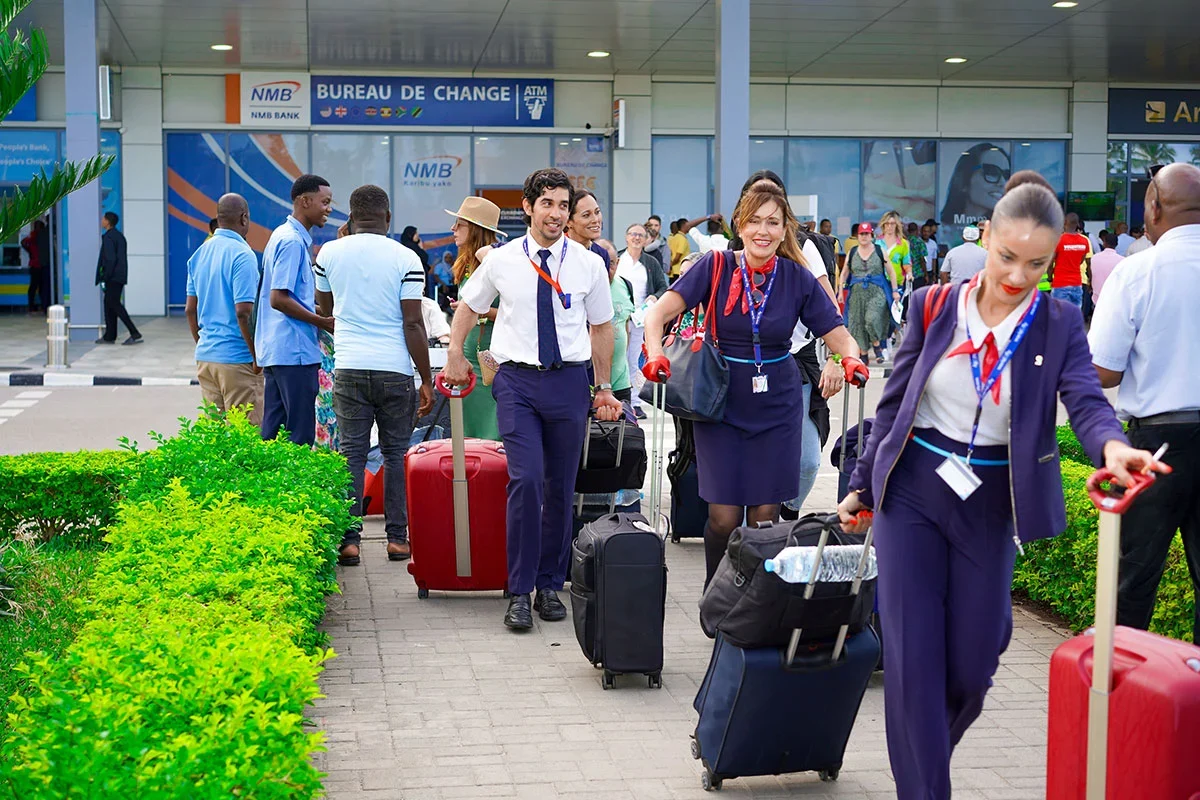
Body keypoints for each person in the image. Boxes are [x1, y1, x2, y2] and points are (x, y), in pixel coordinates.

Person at [837, 179, 1165, 800]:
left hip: (990, 502)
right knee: (913, 663)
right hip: (913, 493)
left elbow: (1086, 399)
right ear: (985, 237)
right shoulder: (933, 305)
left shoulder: (1057, 323)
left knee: (976, 661)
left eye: (1036, 263)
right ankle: (924, 788)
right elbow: (893, 405)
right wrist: (863, 487)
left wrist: (1113, 447)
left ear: (1053, 258)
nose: (1017, 276)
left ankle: (921, 754)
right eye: (1007, 256)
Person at [642, 182, 864, 586]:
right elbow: (657, 314)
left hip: (777, 404)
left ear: (784, 229)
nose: (763, 231)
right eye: (755, 221)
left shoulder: (797, 277)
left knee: (765, 518)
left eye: (773, 223)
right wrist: (655, 354)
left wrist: (848, 358)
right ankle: (716, 597)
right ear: (740, 226)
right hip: (722, 402)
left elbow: (838, 333)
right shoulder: (715, 266)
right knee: (723, 518)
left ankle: (755, 601)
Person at [443, 168, 622, 632]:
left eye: (563, 206)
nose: (556, 214)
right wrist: (454, 355)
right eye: (547, 204)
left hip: (569, 384)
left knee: (560, 488)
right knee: (525, 481)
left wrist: (603, 386)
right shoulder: (502, 260)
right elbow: (469, 307)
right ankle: (519, 590)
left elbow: (602, 327)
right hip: (517, 383)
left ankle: (549, 584)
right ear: (527, 207)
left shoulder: (588, 264)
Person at [1090, 162, 1200, 642]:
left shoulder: (1137, 271)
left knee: (1132, 581)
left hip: (1157, 445)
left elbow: (1103, 371)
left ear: (1153, 208)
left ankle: (1116, 681)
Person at [314, 184, 434, 567]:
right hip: (394, 370)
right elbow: (413, 323)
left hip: (349, 367)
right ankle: (397, 540)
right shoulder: (407, 258)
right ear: (388, 218)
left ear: (350, 218)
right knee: (396, 454)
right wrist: (426, 378)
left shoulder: (328, 253)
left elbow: (324, 308)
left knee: (351, 453)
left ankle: (349, 542)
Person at [256, 173, 335, 446]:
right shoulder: (291, 241)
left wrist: (320, 312)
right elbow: (278, 299)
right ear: (304, 201)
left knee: (273, 434)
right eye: (325, 202)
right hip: (295, 353)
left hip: (279, 352)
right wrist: (321, 322)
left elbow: (292, 297)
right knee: (300, 435)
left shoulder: (284, 236)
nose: (328, 209)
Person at [184, 193, 264, 424]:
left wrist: (202, 344)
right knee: (245, 434)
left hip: (206, 358)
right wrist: (255, 355)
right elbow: (243, 312)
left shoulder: (199, 254)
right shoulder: (243, 255)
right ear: (244, 217)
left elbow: (190, 309)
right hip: (237, 358)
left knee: (215, 433)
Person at [446, 196, 503, 440]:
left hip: (492, 361)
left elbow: (519, 313)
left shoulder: (493, 261)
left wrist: (478, 310)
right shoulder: (467, 263)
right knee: (468, 433)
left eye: (460, 224)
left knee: (493, 433)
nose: (453, 229)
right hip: (469, 356)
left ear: (476, 229)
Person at [616, 222, 668, 419]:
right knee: (618, 357)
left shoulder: (651, 262)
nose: (636, 238)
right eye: (633, 234)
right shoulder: (618, 259)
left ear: (646, 239)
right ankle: (617, 397)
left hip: (640, 318)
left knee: (635, 359)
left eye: (640, 235)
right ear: (626, 237)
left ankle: (635, 402)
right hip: (619, 316)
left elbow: (663, 287)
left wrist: (654, 297)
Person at [843, 223, 899, 364]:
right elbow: (844, 273)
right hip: (856, 293)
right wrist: (839, 291)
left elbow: (891, 272)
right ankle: (863, 353)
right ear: (857, 236)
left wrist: (894, 290)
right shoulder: (852, 252)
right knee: (857, 323)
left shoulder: (880, 251)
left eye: (867, 234)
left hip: (876, 291)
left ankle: (876, 344)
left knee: (871, 319)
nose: (864, 237)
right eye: (861, 234)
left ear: (871, 235)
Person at [95, 212, 143, 346]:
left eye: (103, 219)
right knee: (109, 305)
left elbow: (110, 259)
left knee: (114, 304)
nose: (101, 221)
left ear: (108, 221)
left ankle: (134, 333)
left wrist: (105, 276)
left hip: (112, 277)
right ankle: (110, 336)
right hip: (119, 276)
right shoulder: (119, 236)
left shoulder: (109, 237)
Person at [939, 143, 1010, 226]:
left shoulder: (1006, 230)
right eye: (991, 172)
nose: (1003, 183)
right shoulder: (939, 229)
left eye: (1006, 175)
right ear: (965, 180)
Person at [1048, 212, 1092, 311]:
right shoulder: (1084, 241)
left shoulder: (1058, 240)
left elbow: (1050, 264)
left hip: (1060, 284)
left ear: (1064, 223)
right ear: (1078, 224)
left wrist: (1050, 278)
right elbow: (1081, 261)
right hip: (1077, 284)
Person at [1089, 230, 1123, 305]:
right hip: (1114, 299)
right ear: (1116, 244)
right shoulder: (1122, 261)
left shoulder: (1094, 258)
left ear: (1104, 243)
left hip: (1097, 299)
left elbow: (1091, 276)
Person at [400, 225, 432, 299]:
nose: (418, 236)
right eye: (416, 233)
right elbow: (424, 258)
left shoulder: (405, 246)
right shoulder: (412, 247)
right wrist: (421, 248)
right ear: (410, 235)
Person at [22, 221, 45, 313]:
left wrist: (29, 251)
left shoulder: (34, 235)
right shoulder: (35, 235)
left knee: (35, 286)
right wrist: (29, 251)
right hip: (37, 265)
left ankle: (33, 306)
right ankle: (36, 306)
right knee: (38, 286)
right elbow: (23, 242)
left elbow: (23, 242)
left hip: (36, 264)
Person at [906, 222, 930, 289]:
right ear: (917, 231)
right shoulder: (920, 242)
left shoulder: (904, 242)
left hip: (906, 274)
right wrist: (926, 274)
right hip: (918, 274)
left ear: (908, 230)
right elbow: (922, 259)